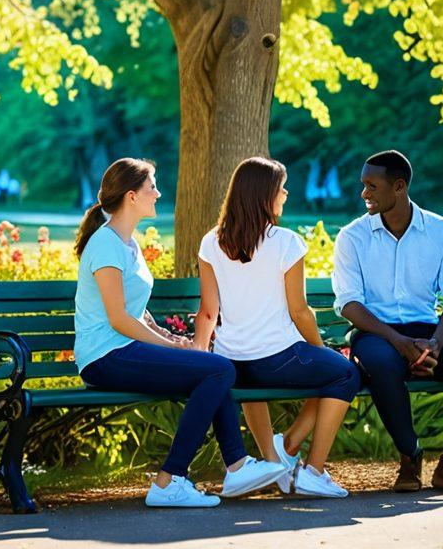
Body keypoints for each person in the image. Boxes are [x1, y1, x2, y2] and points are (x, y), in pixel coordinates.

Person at [74, 157, 286, 508]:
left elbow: (137, 311)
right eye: (151, 187)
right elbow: (118, 319)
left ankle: (235, 466)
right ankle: (172, 479)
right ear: (131, 196)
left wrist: (174, 340)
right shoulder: (105, 245)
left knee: (211, 368)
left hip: (123, 351)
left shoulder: (127, 244)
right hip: (105, 356)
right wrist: (172, 348)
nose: (157, 194)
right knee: (218, 368)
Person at [333, 150, 443, 493]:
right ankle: (410, 457)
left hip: (428, 335)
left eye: (371, 185)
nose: (363, 193)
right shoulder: (352, 237)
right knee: (382, 363)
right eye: (363, 185)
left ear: (398, 187)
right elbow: (349, 304)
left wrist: (435, 344)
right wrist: (398, 342)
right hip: (376, 334)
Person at [195, 157, 361, 498]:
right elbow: (300, 311)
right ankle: (311, 469)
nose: (285, 193)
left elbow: (209, 312)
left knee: (291, 376)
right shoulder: (286, 241)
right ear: (264, 194)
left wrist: (201, 357)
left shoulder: (211, 242)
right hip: (278, 359)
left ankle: (275, 461)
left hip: (232, 363)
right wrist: (320, 348)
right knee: (344, 373)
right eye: (280, 187)